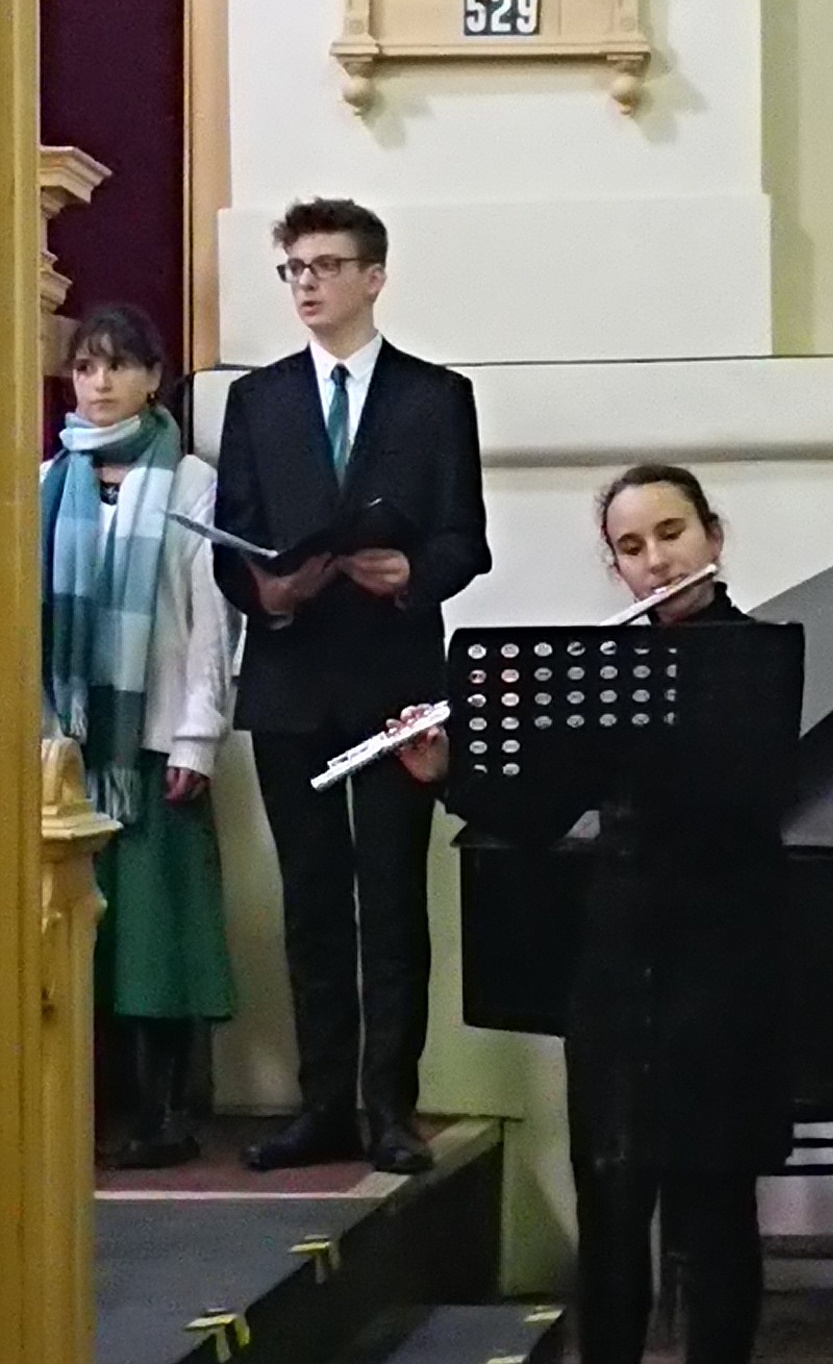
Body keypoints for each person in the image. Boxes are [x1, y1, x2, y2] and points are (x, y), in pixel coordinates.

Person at [391, 464, 793, 1364]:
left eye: (671, 534)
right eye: (631, 547)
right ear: (616, 567)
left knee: (713, 1212)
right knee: (610, 1205)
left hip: (722, 970)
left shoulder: (758, 660)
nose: (656, 561)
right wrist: (449, 771)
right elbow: (540, 812)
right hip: (616, 968)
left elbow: (745, 801)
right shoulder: (603, 671)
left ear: (713, 536)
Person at [212, 197, 491, 1175]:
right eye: (294, 268)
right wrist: (267, 592)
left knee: (393, 902)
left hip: (394, 683)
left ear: (373, 277)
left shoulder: (434, 397)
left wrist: (412, 573)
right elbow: (233, 539)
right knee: (312, 905)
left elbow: (465, 540)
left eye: (326, 266)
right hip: (290, 678)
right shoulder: (258, 401)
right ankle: (322, 1104)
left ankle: (389, 1109)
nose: (307, 284)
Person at [40, 303, 238, 1169]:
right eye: (86, 366)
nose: (101, 383)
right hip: (69, 753)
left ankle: (165, 1113)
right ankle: (81, 1112)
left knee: (158, 941)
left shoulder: (189, 481)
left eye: (119, 365)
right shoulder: (46, 479)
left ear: (154, 378)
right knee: (84, 941)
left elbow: (211, 622)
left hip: (151, 744)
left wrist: (197, 738)